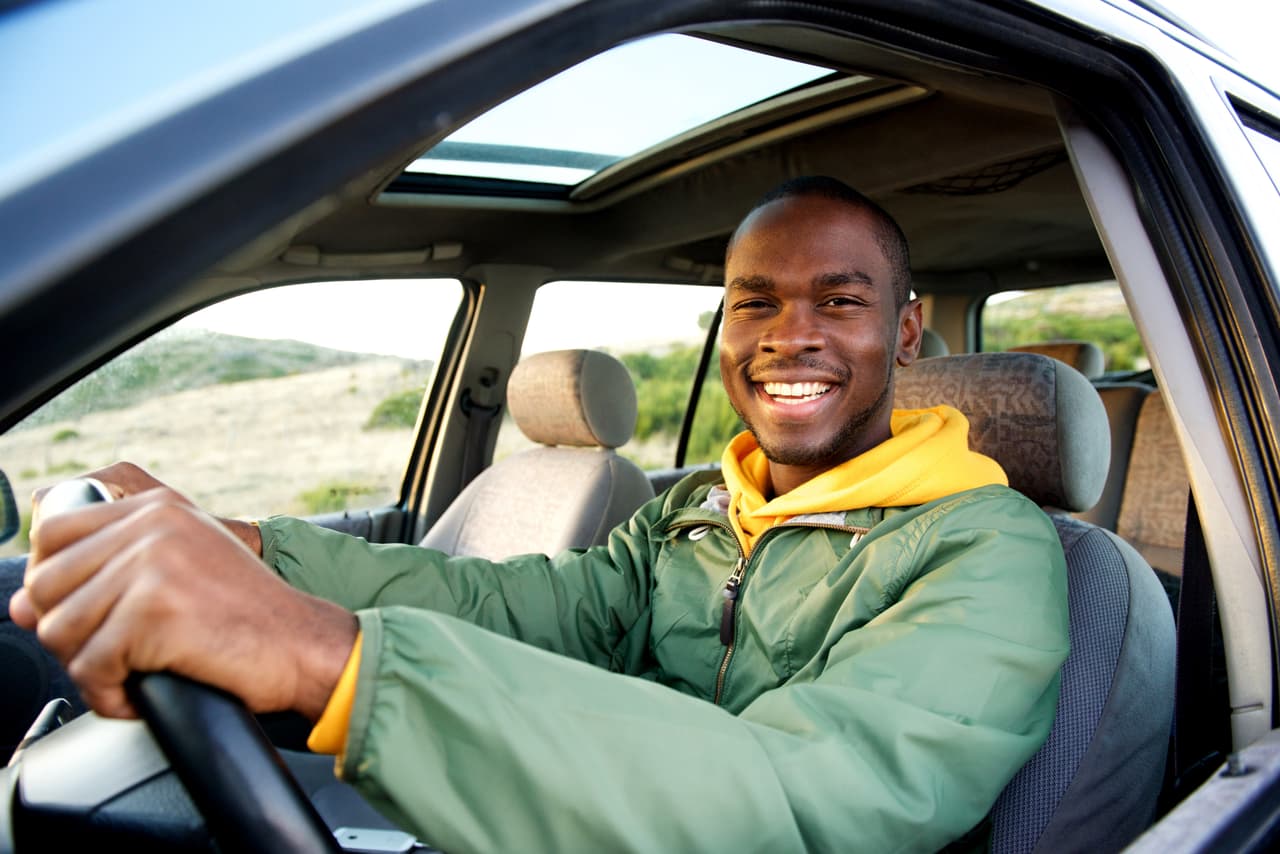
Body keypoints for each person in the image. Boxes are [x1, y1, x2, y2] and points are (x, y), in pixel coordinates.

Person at [11, 177, 1069, 853]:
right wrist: (258, 550)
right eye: (755, 298)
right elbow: (522, 605)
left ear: (907, 333)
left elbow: (808, 802)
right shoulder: (698, 506)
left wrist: (334, 661)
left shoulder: (986, 551)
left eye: (838, 301)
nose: (788, 335)